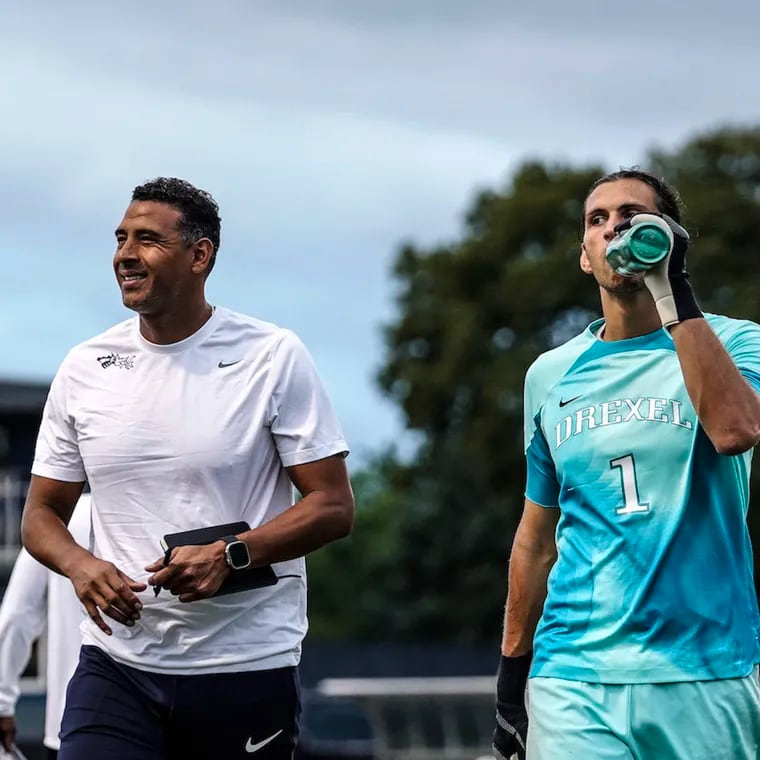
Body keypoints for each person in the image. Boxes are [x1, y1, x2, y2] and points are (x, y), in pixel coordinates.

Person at [20, 177, 355, 760]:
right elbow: (41, 514)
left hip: (245, 666)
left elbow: (333, 506)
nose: (125, 254)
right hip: (117, 666)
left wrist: (232, 555)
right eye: (120, 238)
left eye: (147, 240)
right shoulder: (84, 367)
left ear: (200, 256)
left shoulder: (272, 356)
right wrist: (80, 565)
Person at [492, 168, 760, 759]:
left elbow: (736, 430)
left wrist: (672, 289)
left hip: (704, 666)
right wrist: (512, 679)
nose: (615, 227)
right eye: (598, 219)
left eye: (633, 215)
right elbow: (535, 540)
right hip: (573, 673)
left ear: (669, 235)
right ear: (586, 256)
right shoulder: (549, 374)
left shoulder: (738, 342)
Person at [0, 496, 90, 760]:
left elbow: (17, 616)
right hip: (177, 714)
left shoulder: (58, 520)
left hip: (70, 724)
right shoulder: (178, 512)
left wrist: (2, 703)